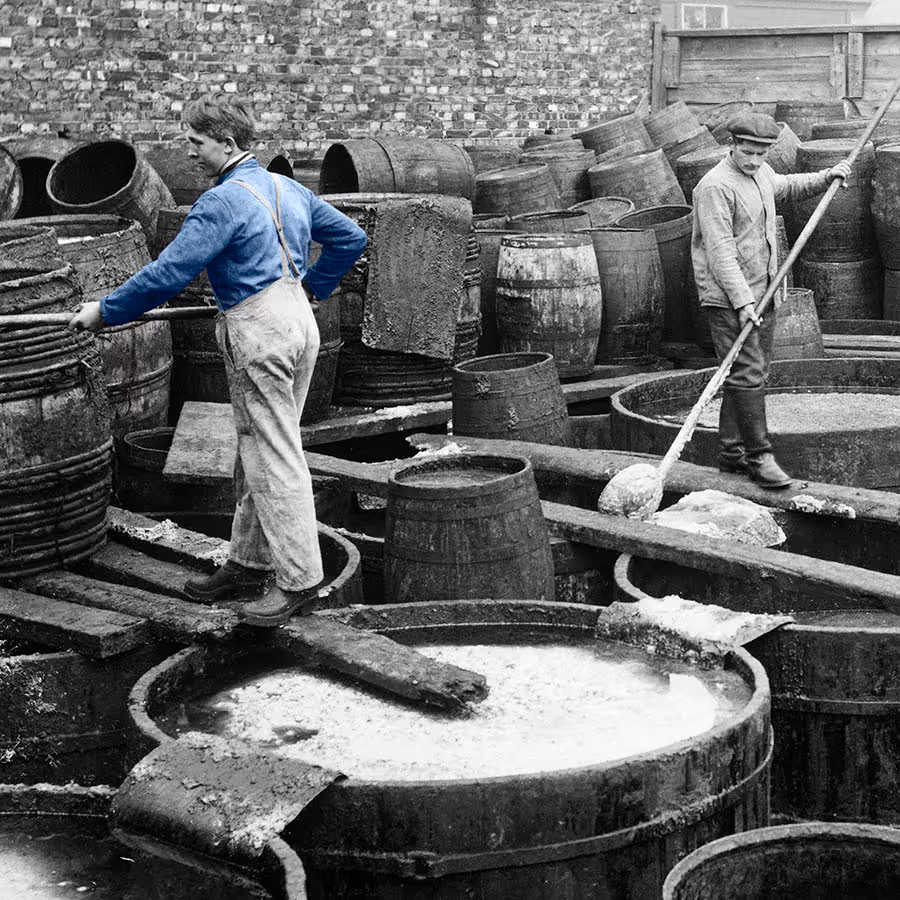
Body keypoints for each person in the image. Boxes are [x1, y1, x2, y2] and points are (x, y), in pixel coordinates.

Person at [69, 94, 367, 625]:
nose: (189, 153)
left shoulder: (221, 202)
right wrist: (314, 289)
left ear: (227, 143)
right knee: (258, 446)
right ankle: (247, 562)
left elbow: (167, 275)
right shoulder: (287, 188)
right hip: (299, 323)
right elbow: (349, 237)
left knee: (274, 454)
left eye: (195, 142)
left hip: (260, 332)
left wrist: (105, 311)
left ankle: (299, 579)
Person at [691, 111, 851, 489]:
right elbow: (720, 252)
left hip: (764, 292)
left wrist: (827, 176)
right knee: (748, 374)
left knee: (748, 374)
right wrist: (743, 302)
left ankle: (731, 453)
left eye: (761, 155)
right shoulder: (715, 187)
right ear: (732, 145)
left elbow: (787, 185)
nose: (754, 161)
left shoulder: (760, 174)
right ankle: (759, 457)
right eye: (747, 153)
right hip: (731, 298)